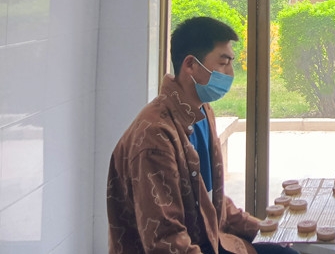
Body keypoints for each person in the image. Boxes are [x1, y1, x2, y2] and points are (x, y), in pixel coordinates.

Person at [107, 16, 292, 254]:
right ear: (190, 65)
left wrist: (267, 230)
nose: (230, 73)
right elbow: (166, 242)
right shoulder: (155, 136)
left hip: (213, 242)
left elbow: (213, 203)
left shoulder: (202, 111)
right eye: (223, 63)